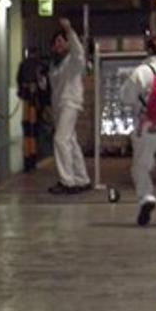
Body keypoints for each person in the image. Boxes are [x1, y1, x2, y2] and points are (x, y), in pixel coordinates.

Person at [120, 34, 156, 226]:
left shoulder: (141, 71)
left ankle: (146, 196)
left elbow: (126, 97)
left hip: (147, 125)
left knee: (141, 165)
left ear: (149, 50)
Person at [47, 17, 91, 194]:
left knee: (60, 140)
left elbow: (78, 51)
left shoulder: (73, 61)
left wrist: (69, 30)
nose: (57, 45)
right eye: (55, 42)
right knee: (70, 141)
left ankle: (67, 181)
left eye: (60, 41)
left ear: (67, 43)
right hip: (60, 105)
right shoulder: (54, 64)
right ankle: (82, 178)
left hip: (70, 103)